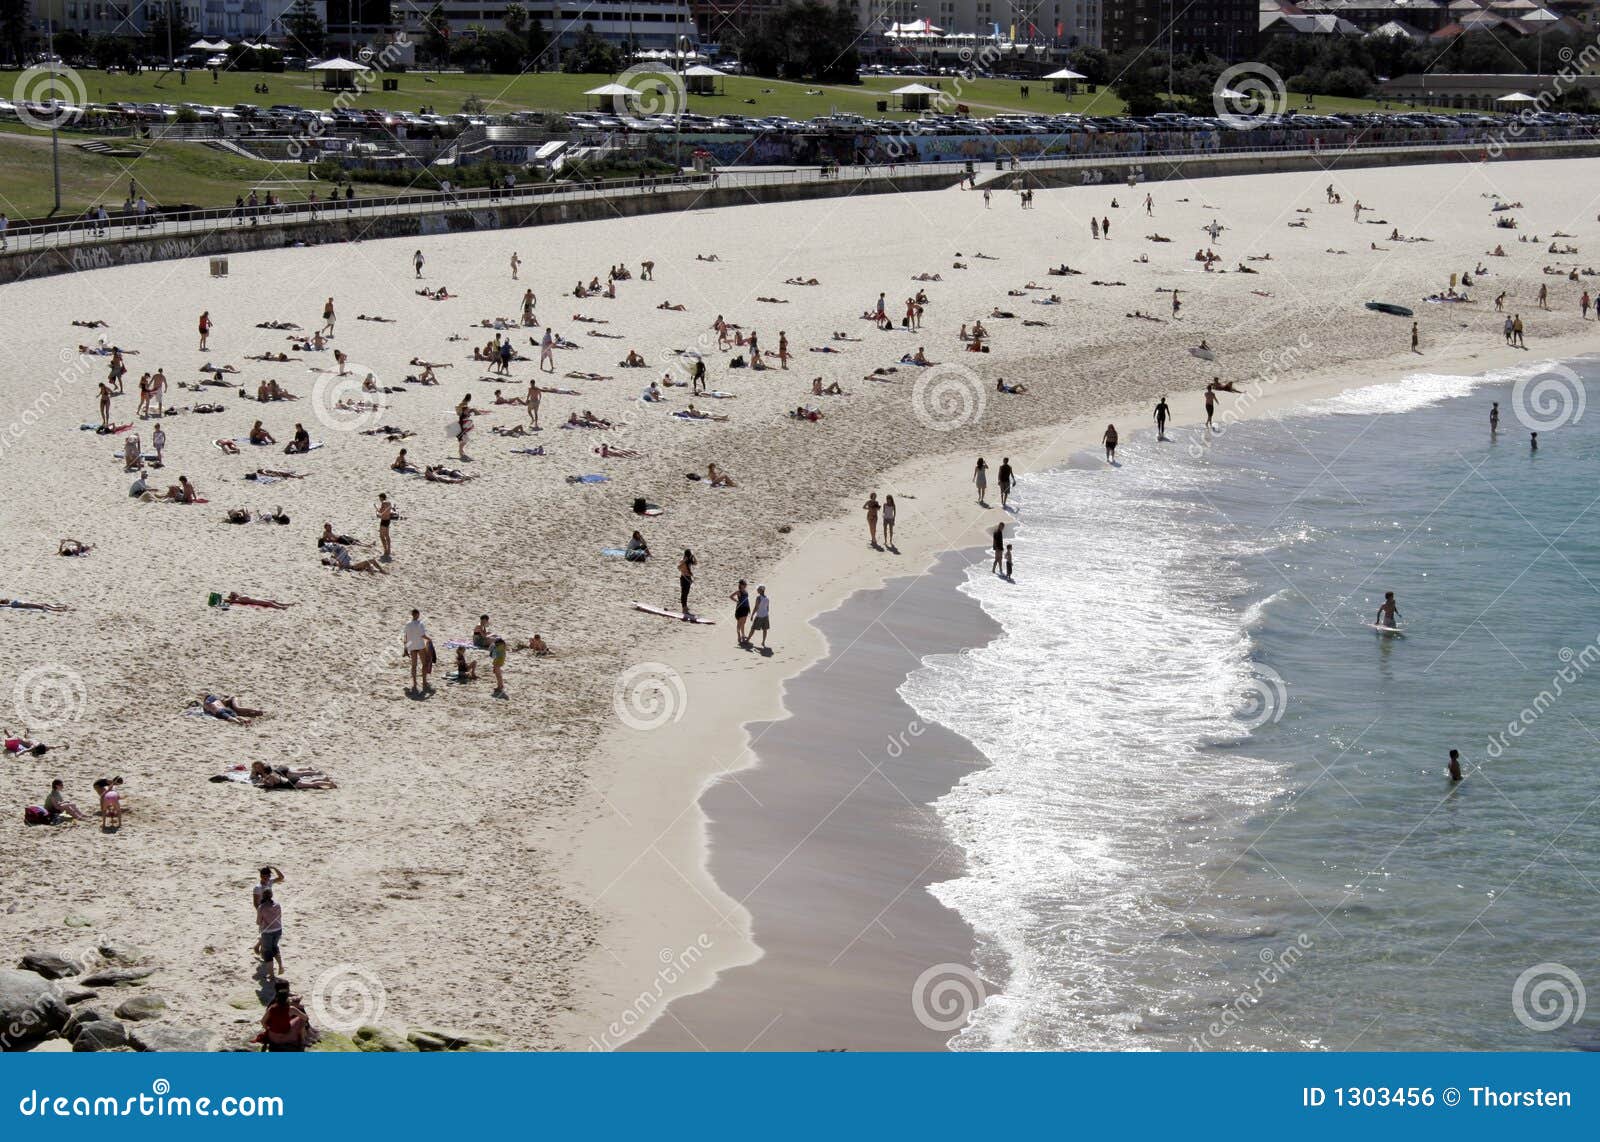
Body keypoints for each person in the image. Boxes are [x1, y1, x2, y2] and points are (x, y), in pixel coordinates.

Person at [260, 983, 308, 1051]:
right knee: (301, 1019)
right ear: (287, 998)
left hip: (272, 1037)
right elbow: (306, 1018)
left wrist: (268, 1029)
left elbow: (262, 1021)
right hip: (286, 1037)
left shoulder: (271, 1008)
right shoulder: (291, 1009)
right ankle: (302, 1042)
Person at [256, 889, 284, 978]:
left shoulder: (261, 907)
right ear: (271, 895)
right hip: (278, 929)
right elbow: (280, 916)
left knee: (267, 953)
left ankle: (271, 975)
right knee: (275, 947)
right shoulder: (277, 905)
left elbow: (258, 921)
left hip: (267, 932)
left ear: (262, 896)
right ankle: (280, 966)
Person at [404, 609, 430, 694]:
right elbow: (422, 635)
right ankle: (424, 682)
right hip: (420, 646)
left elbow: (406, 637)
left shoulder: (408, 624)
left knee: (414, 665)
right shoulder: (420, 624)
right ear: (418, 614)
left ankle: (415, 683)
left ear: (412, 615)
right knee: (424, 664)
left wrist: (405, 649)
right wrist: (429, 639)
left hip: (412, 646)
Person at [731, 579, 751, 645]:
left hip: (746, 608)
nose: (745, 585)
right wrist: (737, 601)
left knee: (743, 623)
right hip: (740, 609)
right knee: (739, 623)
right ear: (741, 585)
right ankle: (739, 636)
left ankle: (743, 635)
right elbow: (731, 596)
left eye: (746, 584)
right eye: (744, 584)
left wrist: (749, 608)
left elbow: (747, 600)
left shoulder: (745, 591)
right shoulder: (738, 592)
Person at [678, 550, 697, 618]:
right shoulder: (682, 560)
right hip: (684, 578)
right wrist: (684, 561)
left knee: (687, 592)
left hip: (688, 578)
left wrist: (694, 556)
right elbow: (678, 567)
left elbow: (695, 563)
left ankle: (685, 606)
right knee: (684, 593)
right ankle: (684, 608)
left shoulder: (689, 560)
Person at [376, 493, 394, 560]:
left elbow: (380, 512)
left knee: (381, 536)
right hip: (388, 520)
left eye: (379, 498)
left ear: (381, 497)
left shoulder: (383, 503)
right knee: (387, 535)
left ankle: (385, 550)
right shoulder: (389, 502)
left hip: (383, 521)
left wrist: (376, 509)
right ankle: (389, 550)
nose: (379, 499)